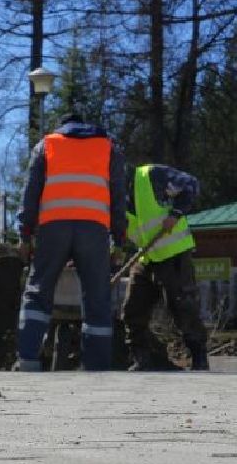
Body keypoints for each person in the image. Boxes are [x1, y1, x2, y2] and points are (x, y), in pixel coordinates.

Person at [14, 113, 130, 372]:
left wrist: (24, 234)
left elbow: (30, 192)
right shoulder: (107, 146)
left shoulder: (47, 144)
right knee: (97, 296)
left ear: (62, 127)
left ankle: (28, 359)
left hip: (53, 227)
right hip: (94, 229)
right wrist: (119, 240)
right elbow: (118, 196)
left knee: (39, 289)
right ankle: (96, 365)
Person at [122, 164, 210, 370]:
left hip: (173, 254)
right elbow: (120, 229)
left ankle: (198, 357)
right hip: (146, 258)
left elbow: (190, 184)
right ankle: (141, 359)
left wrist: (175, 213)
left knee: (182, 307)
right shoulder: (116, 198)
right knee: (132, 309)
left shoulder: (151, 175)